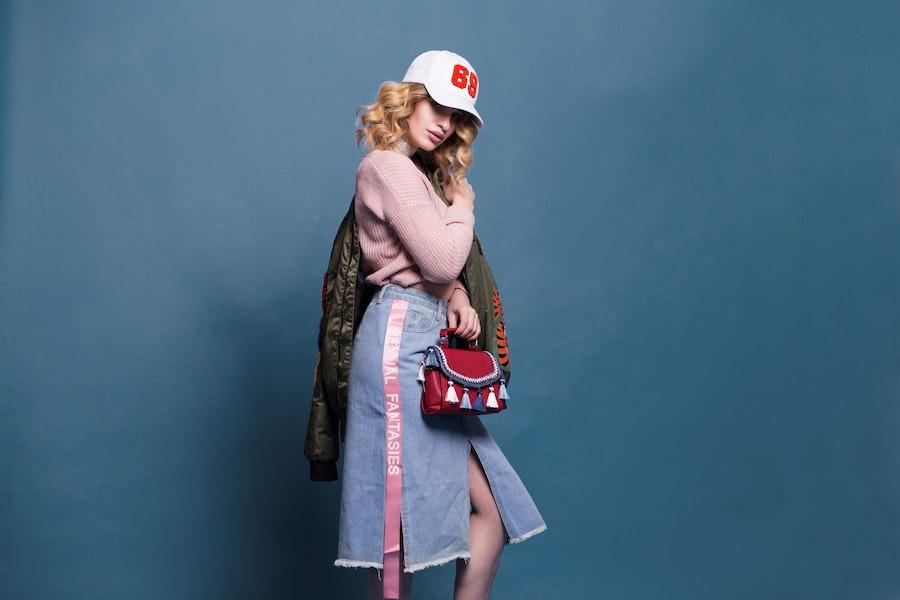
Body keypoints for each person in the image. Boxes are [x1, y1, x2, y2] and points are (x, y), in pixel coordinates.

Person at [331, 50, 547, 600]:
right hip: (399, 341)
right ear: (408, 98)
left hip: (425, 338)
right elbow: (438, 259)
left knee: (490, 512)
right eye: (437, 105)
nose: (445, 123)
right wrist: (464, 205)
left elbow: (421, 266)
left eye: (457, 115)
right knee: (395, 525)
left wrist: (453, 296)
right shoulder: (385, 166)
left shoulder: (415, 176)